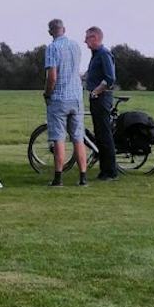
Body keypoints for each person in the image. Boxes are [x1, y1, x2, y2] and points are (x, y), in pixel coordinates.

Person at [43, 18, 87, 187]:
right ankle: (83, 177)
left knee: (59, 138)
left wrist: (47, 93)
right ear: (64, 29)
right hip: (76, 97)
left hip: (59, 98)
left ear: (50, 32)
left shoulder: (52, 48)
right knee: (78, 137)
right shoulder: (76, 46)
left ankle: (58, 178)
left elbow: (52, 77)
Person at [85, 26, 119, 181]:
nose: (85, 41)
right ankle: (104, 170)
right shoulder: (96, 55)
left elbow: (110, 78)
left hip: (101, 98)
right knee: (100, 134)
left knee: (104, 135)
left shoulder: (104, 54)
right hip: (96, 98)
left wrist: (96, 92)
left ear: (95, 38)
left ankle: (110, 171)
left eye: (87, 37)